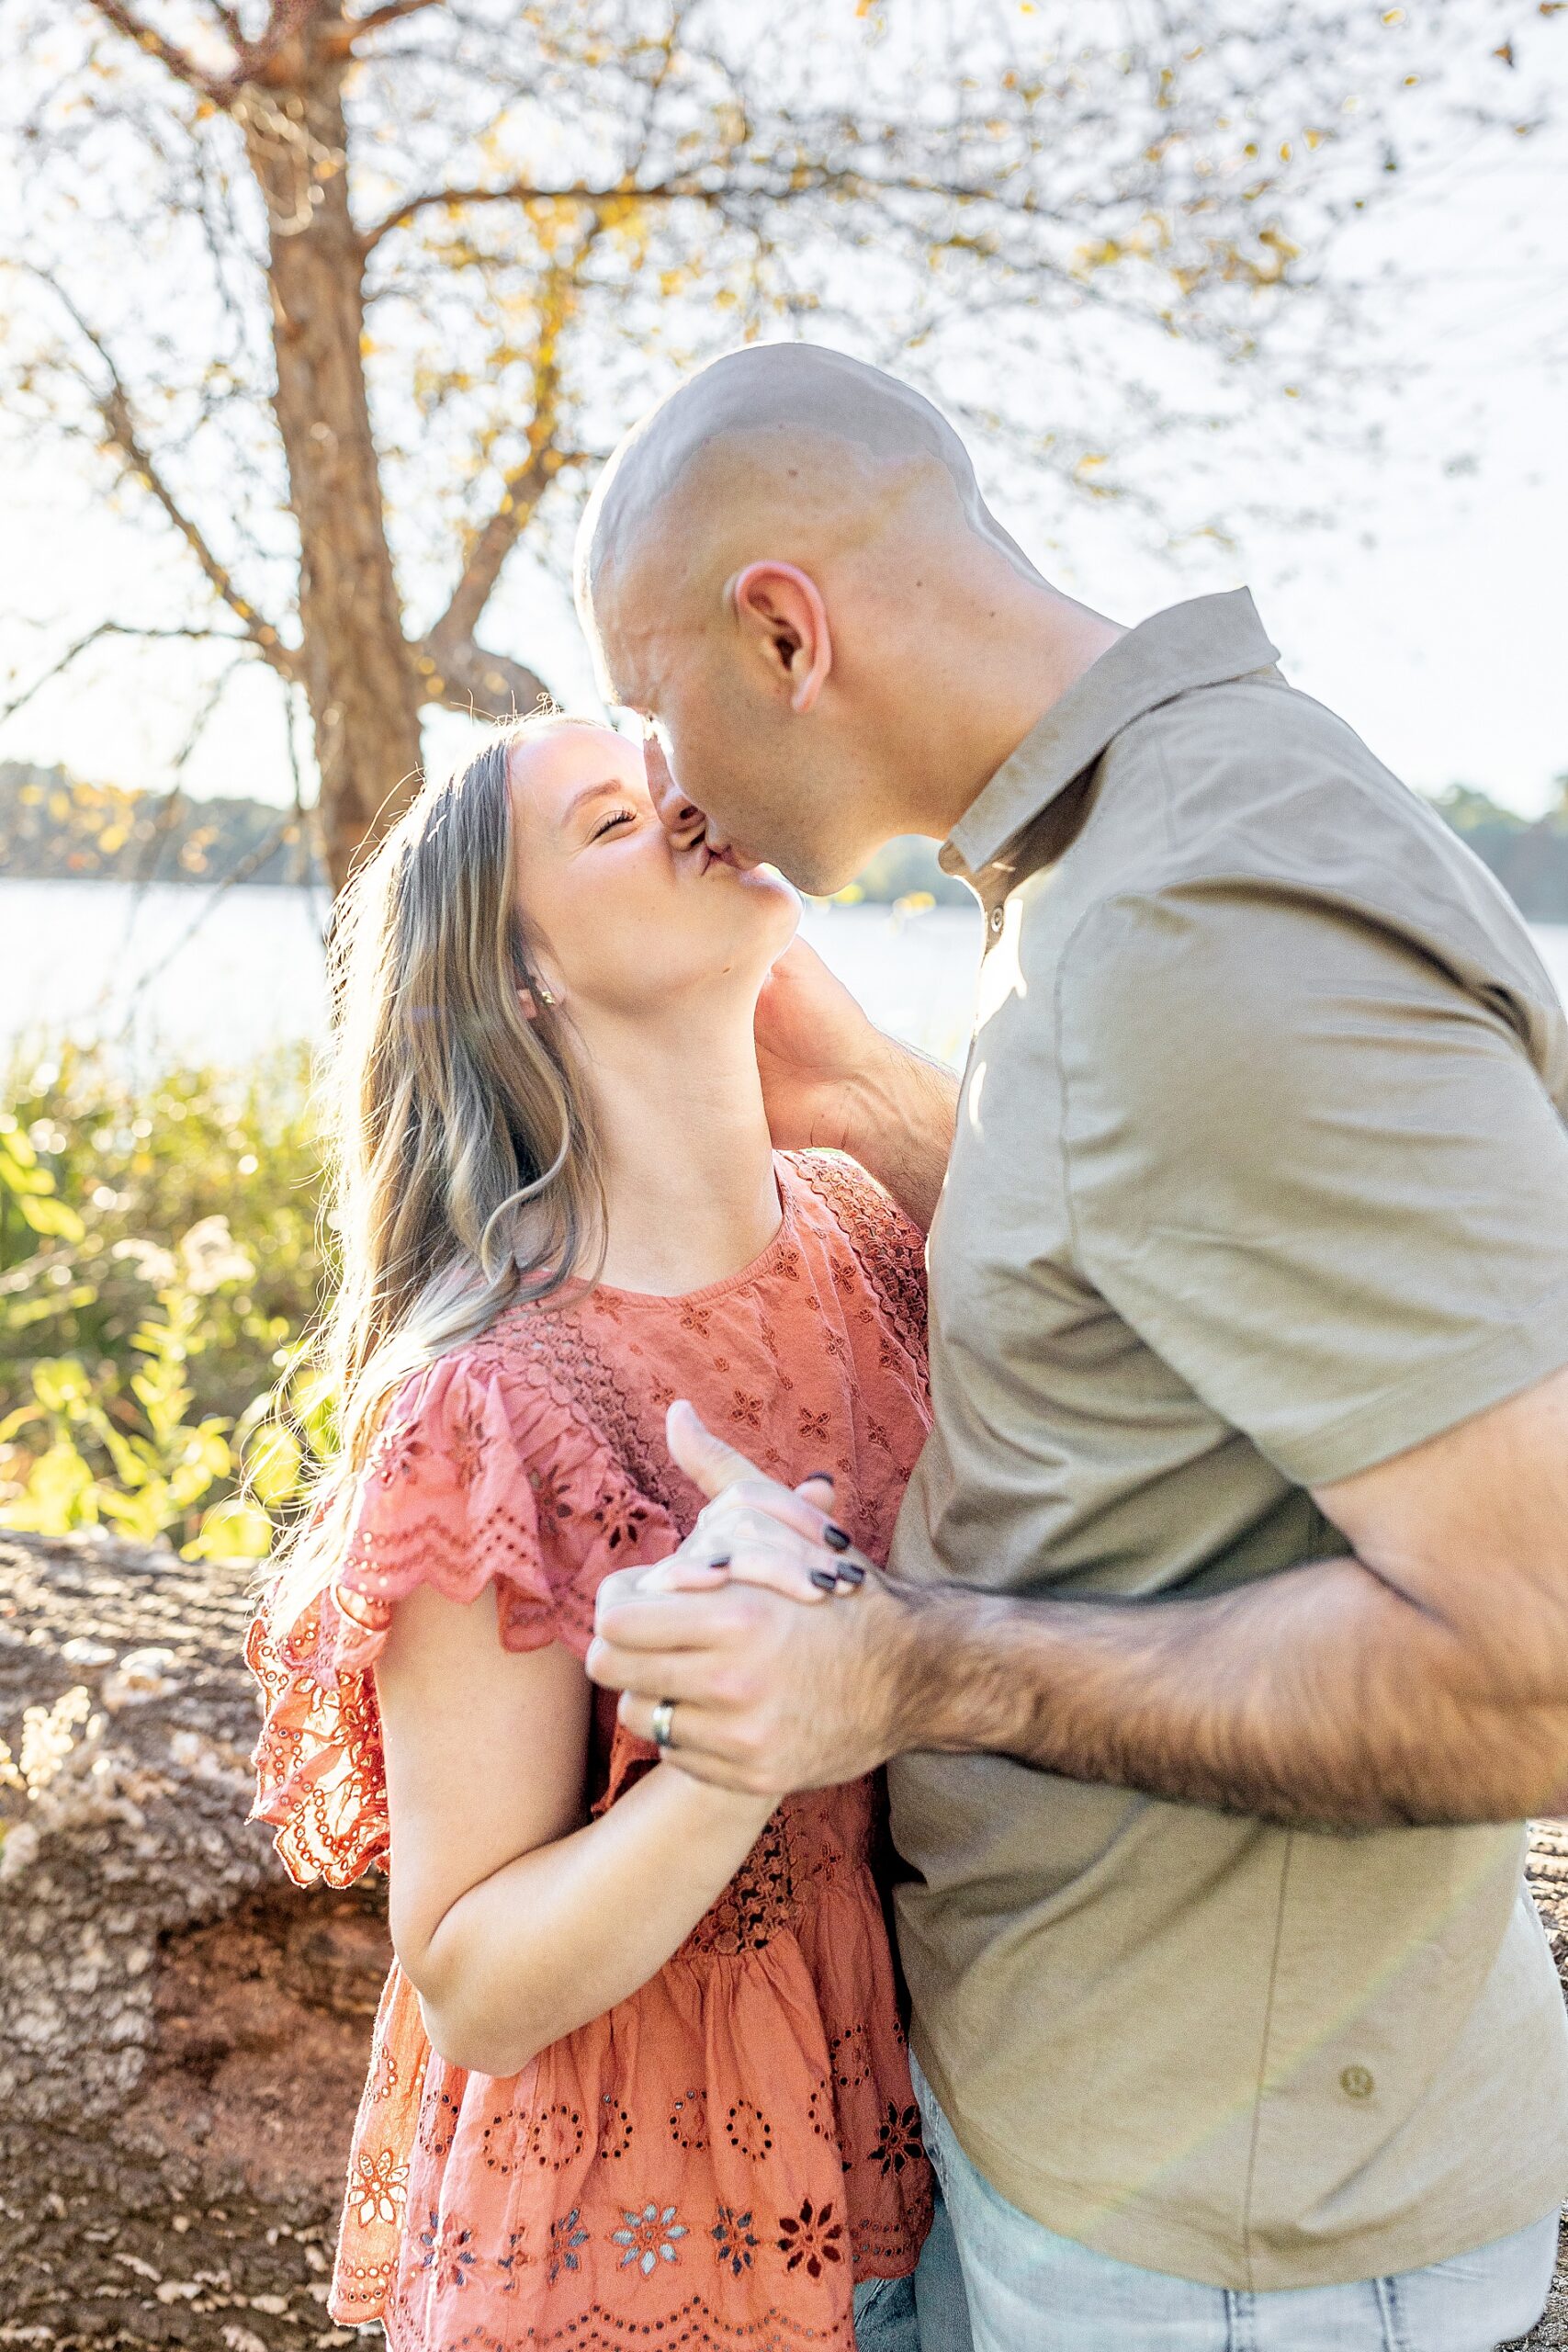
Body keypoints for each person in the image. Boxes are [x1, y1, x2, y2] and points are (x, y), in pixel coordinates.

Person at [575, 341, 1568, 2351]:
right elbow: (1195, 1312)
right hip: (1111, 2134)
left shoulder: (1203, 915)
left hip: (1228, 2232)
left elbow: (1541, 1649)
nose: (663, 785)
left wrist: (906, 1663)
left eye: (652, 703)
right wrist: (877, 1103)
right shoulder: (1113, 855)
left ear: (783, 630)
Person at [243, 712, 951, 2351]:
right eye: (617, 821)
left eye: (673, 769)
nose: (694, 808)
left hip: (919, 2167)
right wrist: (729, 1748)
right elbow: (471, 1977)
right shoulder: (494, 1407)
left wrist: (863, 1083)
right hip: (627, 2243)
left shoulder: (870, 1237)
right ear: (522, 980)